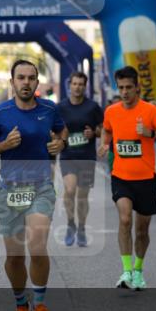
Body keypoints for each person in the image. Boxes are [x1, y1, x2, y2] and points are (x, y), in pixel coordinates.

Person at [0, 60, 66, 311]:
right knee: (15, 257)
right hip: (10, 189)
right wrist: (4, 145)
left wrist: (60, 142)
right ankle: (20, 306)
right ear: (12, 81)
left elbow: (62, 130)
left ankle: (39, 305)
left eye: (31, 78)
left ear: (37, 83)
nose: (26, 82)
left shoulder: (50, 109)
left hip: (40, 186)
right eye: (21, 78)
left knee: (37, 246)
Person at [98, 66, 156, 291]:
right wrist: (105, 144)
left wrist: (151, 134)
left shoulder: (150, 111)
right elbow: (106, 130)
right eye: (121, 87)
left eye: (128, 87)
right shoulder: (111, 111)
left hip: (145, 178)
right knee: (124, 220)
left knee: (142, 230)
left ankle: (138, 271)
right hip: (121, 176)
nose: (124, 92)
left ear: (137, 88)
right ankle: (126, 271)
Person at [56, 71, 103, 247]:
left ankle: (82, 227)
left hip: (86, 157)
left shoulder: (92, 107)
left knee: (82, 196)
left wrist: (94, 133)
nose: (77, 87)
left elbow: (103, 129)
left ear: (85, 86)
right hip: (68, 156)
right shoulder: (60, 107)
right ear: (70, 85)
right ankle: (70, 224)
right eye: (74, 84)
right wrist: (59, 137)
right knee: (69, 190)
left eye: (81, 84)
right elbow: (53, 130)